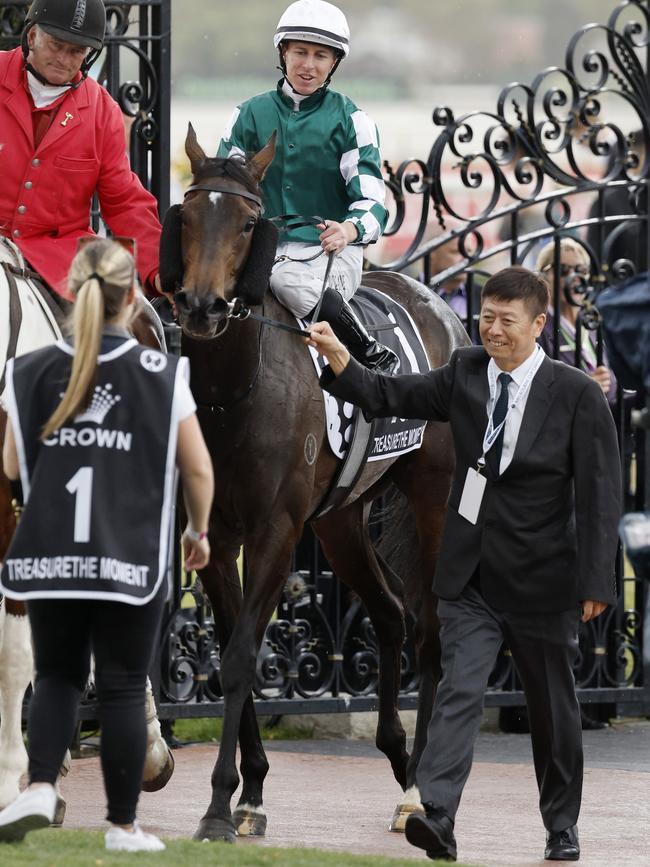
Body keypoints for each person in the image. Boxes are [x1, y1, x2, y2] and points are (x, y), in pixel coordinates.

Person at [306, 266, 621, 862]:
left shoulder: (575, 393)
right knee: (457, 693)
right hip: (470, 575)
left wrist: (595, 581)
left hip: (542, 580)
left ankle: (561, 825)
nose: (493, 330)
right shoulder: (466, 373)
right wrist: (340, 359)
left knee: (553, 710)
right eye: (486, 318)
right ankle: (439, 816)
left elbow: (602, 496)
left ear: (537, 325)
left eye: (506, 321)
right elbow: (387, 395)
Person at [0, 239, 213, 851]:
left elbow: (11, 463)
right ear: (131, 300)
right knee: (121, 685)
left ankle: (39, 784)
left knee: (57, 676)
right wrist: (197, 530)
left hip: (50, 555)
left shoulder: (28, 371)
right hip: (127, 554)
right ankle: (122, 826)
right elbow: (197, 469)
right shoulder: (160, 372)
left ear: (69, 290)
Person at [217, 0, 398, 373]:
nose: (309, 65)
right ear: (283, 52)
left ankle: (369, 351)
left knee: (284, 281)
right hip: (261, 249)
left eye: (321, 56)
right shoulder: (247, 115)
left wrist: (348, 229)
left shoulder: (353, 120)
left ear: (334, 63)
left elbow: (371, 202)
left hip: (329, 251)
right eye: (300, 52)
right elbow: (225, 191)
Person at [0, 0, 163, 300]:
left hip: (63, 254)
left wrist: (159, 268)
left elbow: (125, 202)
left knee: (128, 316)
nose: (63, 58)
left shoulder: (103, 112)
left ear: (89, 54)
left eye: (76, 51)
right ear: (32, 36)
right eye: (56, 45)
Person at [536, 238, 616, 403]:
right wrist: (586, 388)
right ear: (544, 277)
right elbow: (538, 391)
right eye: (563, 270)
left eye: (581, 270)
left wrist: (607, 383)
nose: (574, 277)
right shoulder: (539, 327)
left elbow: (615, 380)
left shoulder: (593, 321)